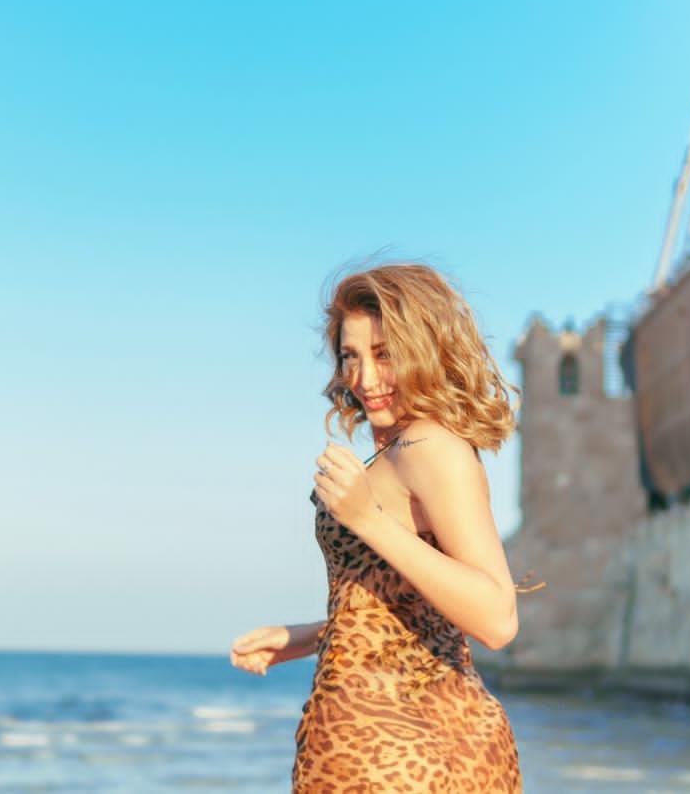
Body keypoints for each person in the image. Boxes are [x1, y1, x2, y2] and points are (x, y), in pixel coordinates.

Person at [229, 262, 542, 792]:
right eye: (350, 356)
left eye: (384, 354)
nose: (364, 378)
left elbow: (496, 617)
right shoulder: (404, 449)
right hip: (393, 744)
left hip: (400, 758)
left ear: (423, 351)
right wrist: (308, 637)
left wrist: (367, 520)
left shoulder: (431, 447)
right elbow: (409, 609)